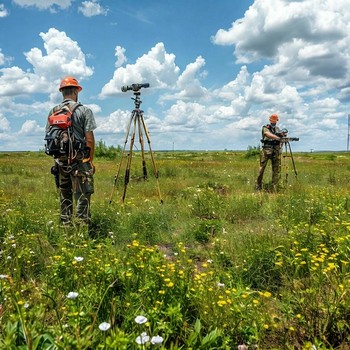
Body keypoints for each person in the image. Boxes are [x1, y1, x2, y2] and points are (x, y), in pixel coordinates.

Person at [46, 76, 97, 225]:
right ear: (76, 91)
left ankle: (66, 225)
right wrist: (90, 161)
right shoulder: (84, 110)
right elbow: (89, 139)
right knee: (83, 194)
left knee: (65, 192)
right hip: (80, 160)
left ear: (62, 92)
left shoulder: (53, 111)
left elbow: (50, 138)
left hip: (60, 161)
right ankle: (82, 227)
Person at [256, 114, 286, 191]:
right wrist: (278, 138)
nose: (274, 122)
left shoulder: (277, 129)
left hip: (276, 151)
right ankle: (258, 185)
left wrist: (281, 139)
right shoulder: (265, 127)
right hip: (267, 150)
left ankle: (274, 187)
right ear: (270, 120)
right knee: (261, 169)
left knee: (276, 170)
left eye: (275, 120)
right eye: (272, 120)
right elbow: (267, 134)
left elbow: (281, 139)